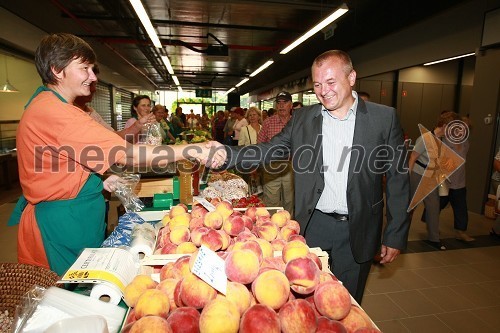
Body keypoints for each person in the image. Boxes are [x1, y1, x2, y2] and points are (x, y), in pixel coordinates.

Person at [7, 33, 219, 276]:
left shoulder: (49, 105)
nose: (93, 76)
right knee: (75, 291)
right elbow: (126, 155)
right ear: (57, 70)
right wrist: (193, 149)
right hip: (63, 224)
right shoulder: (56, 112)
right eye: (85, 68)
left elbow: (61, 159)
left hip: (73, 214)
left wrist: (97, 178)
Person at [207, 50, 410, 304]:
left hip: (359, 229)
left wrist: (395, 233)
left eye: (330, 82)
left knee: (346, 304)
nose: (323, 91)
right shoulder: (303, 118)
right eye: (317, 85)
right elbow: (271, 149)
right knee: (306, 301)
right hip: (314, 225)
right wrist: (227, 154)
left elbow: (398, 178)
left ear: (352, 77)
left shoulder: (383, 118)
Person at [409, 112, 459, 250]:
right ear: (444, 126)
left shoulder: (442, 140)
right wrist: (407, 178)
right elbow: (412, 158)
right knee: (409, 207)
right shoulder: (425, 138)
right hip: (418, 175)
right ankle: (398, 236)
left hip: (431, 177)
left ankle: (434, 238)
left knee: (433, 206)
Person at [257, 91, 295, 215]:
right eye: (278, 103)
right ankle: (272, 227)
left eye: (285, 102)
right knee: (271, 201)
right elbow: (260, 144)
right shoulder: (268, 122)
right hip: (271, 166)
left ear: (291, 105)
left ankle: (288, 227)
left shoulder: (297, 122)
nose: (281, 105)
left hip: (291, 166)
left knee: (290, 200)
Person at [439, 111, 474, 242]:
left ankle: (460, 232)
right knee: (437, 205)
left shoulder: (466, 144)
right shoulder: (445, 142)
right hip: (444, 180)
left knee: (461, 207)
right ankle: (431, 226)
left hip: (460, 182)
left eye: (466, 129)